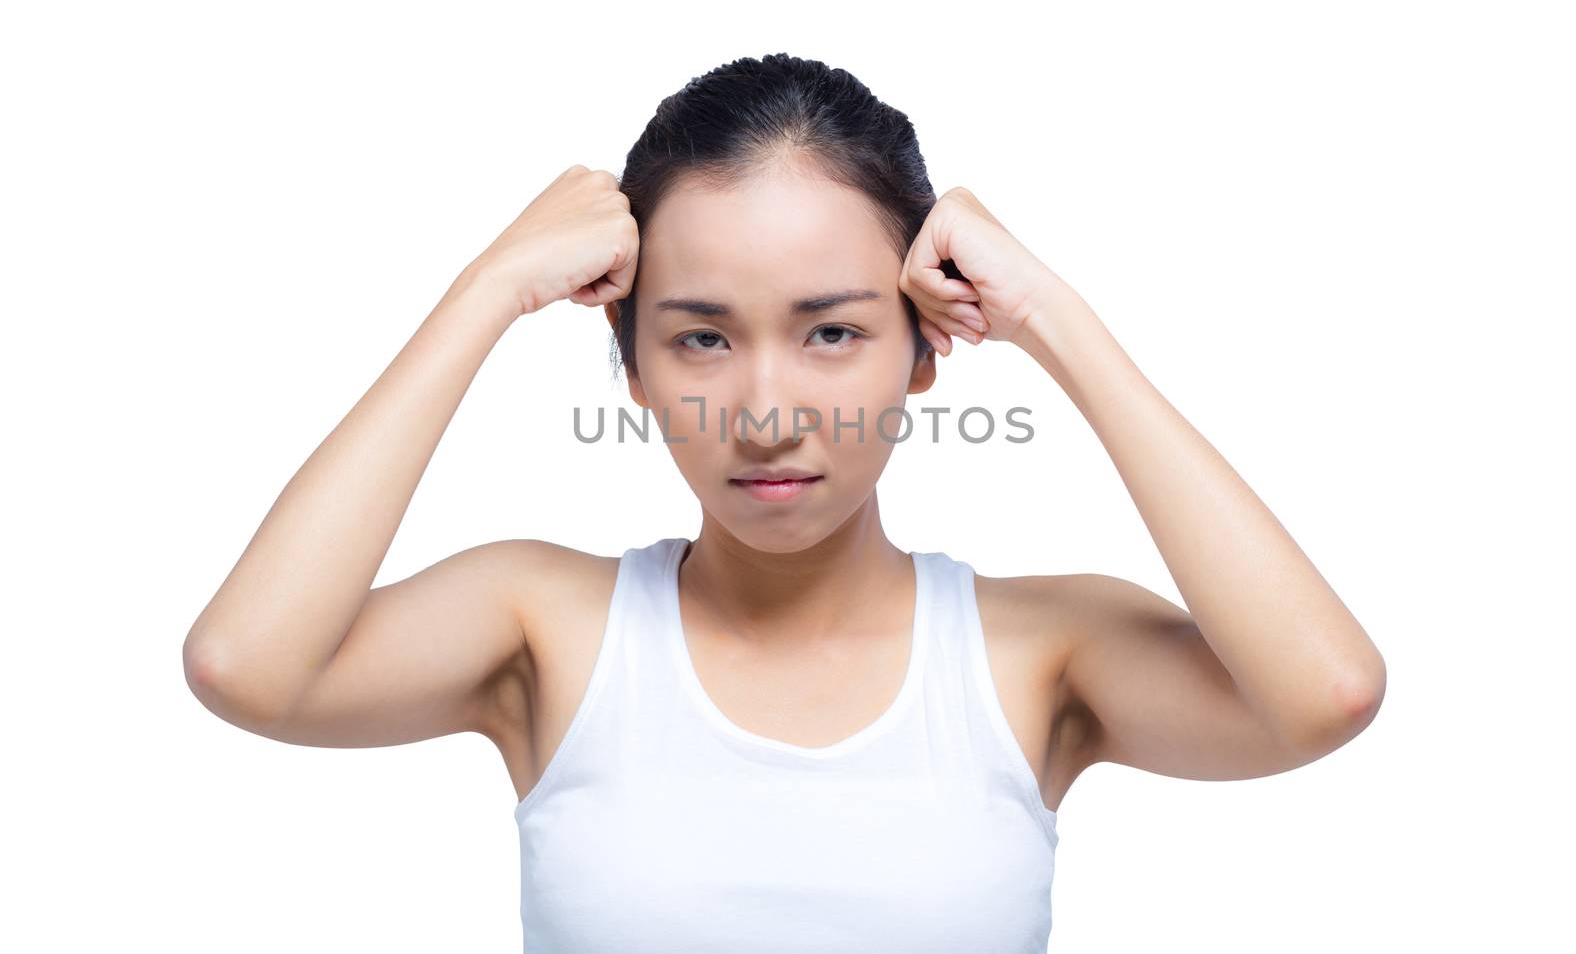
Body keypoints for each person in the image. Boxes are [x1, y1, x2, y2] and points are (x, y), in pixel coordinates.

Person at [183, 52, 1386, 952]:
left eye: (833, 332)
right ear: (635, 366)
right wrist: (487, 286)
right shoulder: (542, 629)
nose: (765, 411)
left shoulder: (1035, 653)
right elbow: (247, 663)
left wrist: (1050, 317)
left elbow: (1323, 694)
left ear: (926, 348)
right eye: (701, 336)